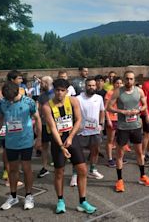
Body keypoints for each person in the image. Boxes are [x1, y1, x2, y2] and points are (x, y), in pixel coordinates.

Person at [42, 79, 96, 214]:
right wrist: (61, 146)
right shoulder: (47, 106)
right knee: (59, 172)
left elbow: (78, 120)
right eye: (57, 90)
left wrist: (71, 137)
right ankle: (60, 201)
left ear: (67, 91)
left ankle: (83, 201)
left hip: (72, 137)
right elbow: (53, 128)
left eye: (62, 90)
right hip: (57, 141)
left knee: (82, 170)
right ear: (53, 90)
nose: (59, 93)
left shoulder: (72, 101)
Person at [0, 81, 42, 211]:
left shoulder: (28, 102)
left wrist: (39, 138)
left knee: (26, 168)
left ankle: (28, 195)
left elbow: (37, 118)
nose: (10, 101)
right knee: (12, 169)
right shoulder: (3, 103)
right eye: (7, 99)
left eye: (12, 99)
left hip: (26, 140)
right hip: (11, 141)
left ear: (17, 92)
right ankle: (13, 195)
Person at [107, 70, 149, 192]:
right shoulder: (118, 91)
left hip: (136, 126)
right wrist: (122, 112)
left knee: (139, 152)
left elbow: (144, 105)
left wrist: (138, 110)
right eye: (127, 79)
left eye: (131, 79)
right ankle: (119, 180)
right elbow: (109, 107)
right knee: (120, 154)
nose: (129, 81)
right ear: (124, 79)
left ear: (134, 80)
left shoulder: (139, 91)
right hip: (123, 127)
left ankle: (143, 176)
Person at [76, 77, 105, 180]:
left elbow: (102, 111)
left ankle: (93, 170)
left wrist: (101, 124)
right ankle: (76, 174)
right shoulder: (78, 98)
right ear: (85, 86)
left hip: (95, 130)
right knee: (78, 154)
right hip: (81, 131)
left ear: (96, 86)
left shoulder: (99, 98)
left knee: (95, 151)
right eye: (89, 85)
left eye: (93, 85)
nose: (91, 87)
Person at [36, 76, 54, 179]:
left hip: (54, 125)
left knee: (56, 146)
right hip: (44, 124)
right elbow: (38, 111)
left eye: (42, 83)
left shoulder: (55, 94)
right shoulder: (42, 96)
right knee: (44, 147)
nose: (40, 84)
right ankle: (44, 167)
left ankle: (58, 166)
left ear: (47, 83)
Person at [104, 77, 123, 167]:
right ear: (113, 84)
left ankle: (118, 157)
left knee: (119, 140)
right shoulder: (110, 93)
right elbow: (106, 108)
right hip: (112, 119)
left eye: (120, 83)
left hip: (120, 119)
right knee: (110, 140)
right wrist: (108, 119)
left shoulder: (122, 93)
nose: (119, 85)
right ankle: (110, 159)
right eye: (117, 83)